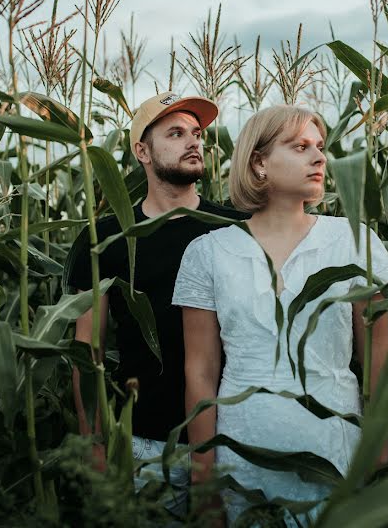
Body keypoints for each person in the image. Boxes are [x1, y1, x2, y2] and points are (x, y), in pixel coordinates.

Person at [172, 105, 388, 524]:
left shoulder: (354, 242)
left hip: (337, 453)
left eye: (320, 147)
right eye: (299, 147)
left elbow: (378, 356)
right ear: (258, 162)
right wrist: (205, 479)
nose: (319, 158)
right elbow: (200, 370)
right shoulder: (209, 252)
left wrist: (379, 450)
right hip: (242, 460)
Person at [66, 91, 247, 518]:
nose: (194, 142)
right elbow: (86, 349)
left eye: (197, 133)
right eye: (176, 133)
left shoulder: (235, 229)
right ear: (142, 151)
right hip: (146, 443)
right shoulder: (105, 239)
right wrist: (94, 442)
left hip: (234, 437)